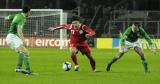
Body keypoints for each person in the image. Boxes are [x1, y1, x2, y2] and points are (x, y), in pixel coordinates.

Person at [5, 6, 32, 75]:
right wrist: (23, 40)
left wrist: (6, 20)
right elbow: (19, 30)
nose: (30, 14)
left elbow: (7, 17)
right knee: (26, 52)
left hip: (10, 37)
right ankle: (27, 70)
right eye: (30, 12)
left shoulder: (17, 15)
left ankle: (19, 68)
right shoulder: (22, 18)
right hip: (12, 37)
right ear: (28, 12)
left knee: (22, 52)